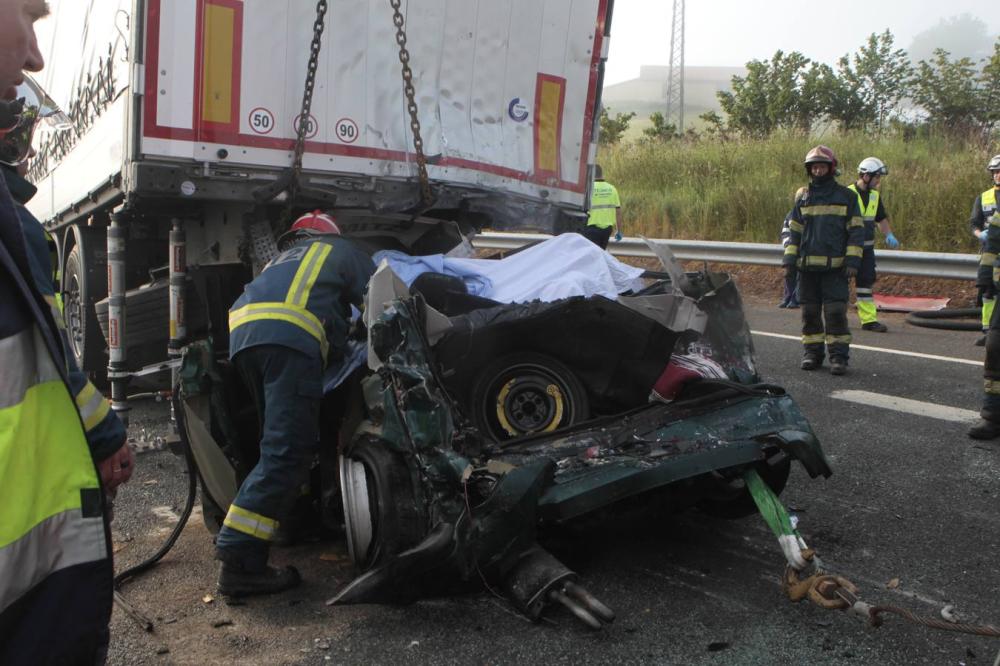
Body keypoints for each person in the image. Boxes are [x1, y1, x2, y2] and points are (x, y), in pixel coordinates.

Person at [0, 1, 119, 662]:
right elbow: (53, 364)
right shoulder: (14, 227)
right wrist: (105, 435)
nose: (36, 54)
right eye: (26, 12)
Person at [218, 210, 375, 597]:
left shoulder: (281, 260)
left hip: (246, 339)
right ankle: (239, 561)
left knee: (277, 443)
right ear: (332, 234)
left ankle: (292, 523)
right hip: (290, 338)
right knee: (285, 452)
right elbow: (381, 295)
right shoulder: (338, 250)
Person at [1, 79, 133, 492]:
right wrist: (108, 436)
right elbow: (49, 355)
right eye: (30, 137)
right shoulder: (16, 227)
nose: (34, 152)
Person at [782, 146, 864, 376]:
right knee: (809, 313)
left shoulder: (846, 197)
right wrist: (789, 261)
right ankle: (812, 354)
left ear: (831, 168)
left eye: (822, 166)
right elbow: (794, 231)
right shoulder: (803, 198)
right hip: (807, 269)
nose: (818, 170)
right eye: (814, 167)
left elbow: (856, 231)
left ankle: (839, 358)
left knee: (836, 313)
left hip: (836, 269)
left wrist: (852, 262)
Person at [846, 157, 900, 333]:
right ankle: (835, 318)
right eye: (877, 177)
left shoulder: (875, 196)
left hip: (867, 250)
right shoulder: (847, 194)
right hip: (847, 250)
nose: (879, 181)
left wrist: (888, 234)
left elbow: (880, 218)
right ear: (866, 176)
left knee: (865, 283)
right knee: (839, 284)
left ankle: (868, 320)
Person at [971, 155, 1000, 346]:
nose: (997, 176)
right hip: (989, 252)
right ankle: (988, 330)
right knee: (988, 292)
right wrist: (979, 234)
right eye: (995, 172)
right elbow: (974, 223)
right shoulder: (984, 197)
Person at [581, 164, 622, 250]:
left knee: (593, 256)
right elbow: (618, 212)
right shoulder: (612, 189)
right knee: (601, 254)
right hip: (607, 230)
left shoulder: (588, 189)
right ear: (601, 174)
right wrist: (619, 231)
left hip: (591, 228)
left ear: (590, 175)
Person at [778, 207, 801, 308]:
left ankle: (795, 299)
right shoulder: (791, 213)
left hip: (802, 249)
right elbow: (785, 231)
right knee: (788, 273)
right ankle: (787, 297)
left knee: (800, 275)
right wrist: (787, 242)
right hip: (790, 249)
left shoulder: (808, 211)